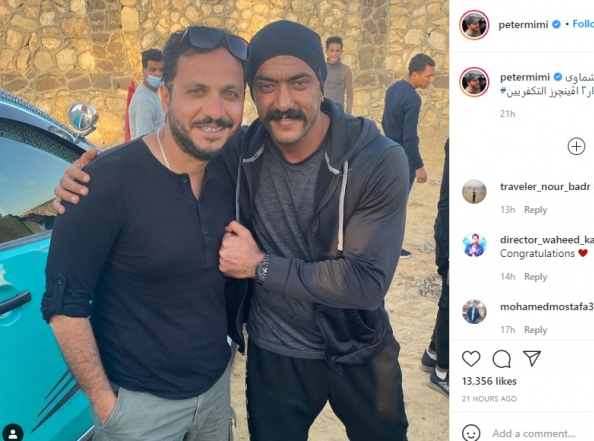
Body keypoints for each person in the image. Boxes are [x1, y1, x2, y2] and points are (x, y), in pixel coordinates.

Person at [54, 20, 410, 441]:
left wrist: (260, 266)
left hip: (358, 345)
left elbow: (367, 282)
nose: (283, 102)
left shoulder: (375, 159)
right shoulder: (241, 148)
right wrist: (89, 177)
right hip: (272, 353)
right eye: (265, 86)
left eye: (299, 83)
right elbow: (172, 147)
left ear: (322, 83)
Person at [42, 26, 249, 441]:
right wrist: (108, 408)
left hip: (214, 394)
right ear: (165, 98)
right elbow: (65, 308)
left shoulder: (234, 167)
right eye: (197, 91)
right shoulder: (101, 184)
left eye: (230, 93)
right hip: (138, 412)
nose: (215, 110)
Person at [382, 53, 435, 258]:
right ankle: (392, 248)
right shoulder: (413, 98)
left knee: (388, 201)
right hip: (403, 157)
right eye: (428, 76)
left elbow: (385, 121)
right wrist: (418, 165)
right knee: (398, 204)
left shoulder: (393, 89)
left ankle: (382, 243)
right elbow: (410, 137)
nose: (431, 80)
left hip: (389, 152)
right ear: (415, 74)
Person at [420, 139, 449, 398]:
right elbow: (448, 202)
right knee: (454, 302)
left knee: (449, 300)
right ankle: (442, 372)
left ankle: (433, 353)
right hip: (459, 238)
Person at [128, 48, 166, 138]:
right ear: (144, 71)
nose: (158, 74)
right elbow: (143, 139)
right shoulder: (144, 100)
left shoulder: (151, 93)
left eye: (161, 70)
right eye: (153, 70)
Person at [323, 36, 354, 114]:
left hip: (338, 112)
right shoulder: (322, 68)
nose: (334, 54)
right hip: (323, 110)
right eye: (332, 50)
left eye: (337, 51)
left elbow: (350, 93)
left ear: (341, 52)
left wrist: (348, 113)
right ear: (326, 51)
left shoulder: (345, 70)